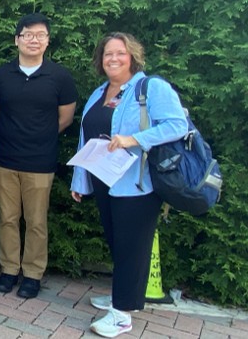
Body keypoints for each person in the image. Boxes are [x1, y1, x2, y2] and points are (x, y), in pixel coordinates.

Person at [70, 32, 186, 338]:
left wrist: (134, 139)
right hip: (105, 181)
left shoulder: (151, 88)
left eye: (119, 53)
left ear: (132, 56)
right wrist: (80, 179)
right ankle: (120, 296)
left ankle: (122, 315)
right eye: (108, 54)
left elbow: (177, 125)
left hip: (138, 185)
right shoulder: (99, 93)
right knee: (117, 243)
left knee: (132, 248)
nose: (113, 59)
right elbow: (87, 138)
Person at [0, 13, 78, 299]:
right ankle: (10, 269)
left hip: (40, 162)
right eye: (27, 34)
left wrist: (39, 136)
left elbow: (65, 118)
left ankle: (33, 274)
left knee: (36, 221)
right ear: (17, 40)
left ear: (48, 41)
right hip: (5, 160)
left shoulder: (60, 77)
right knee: (8, 219)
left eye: (40, 35)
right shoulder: (0, 76)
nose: (33, 39)